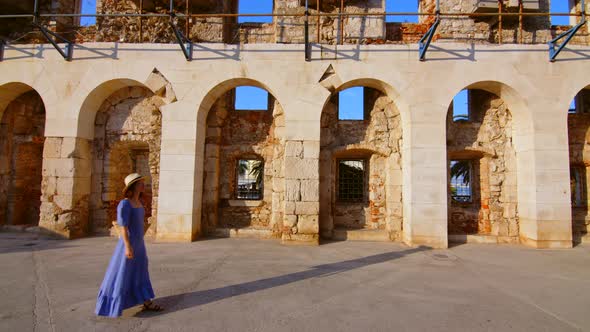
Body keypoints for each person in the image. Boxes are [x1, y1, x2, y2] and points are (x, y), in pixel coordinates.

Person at [95, 173, 163, 317]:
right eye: (140, 182)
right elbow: (123, 227)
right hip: (128, 244)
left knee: (140, 272)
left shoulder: (139, 202)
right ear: (133, 186)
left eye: (142, 182)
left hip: (139, 244)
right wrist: (127, 246)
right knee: (123, 273)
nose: (143, 184)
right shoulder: (124, 204)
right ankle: (113, 305)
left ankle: (146, 301)